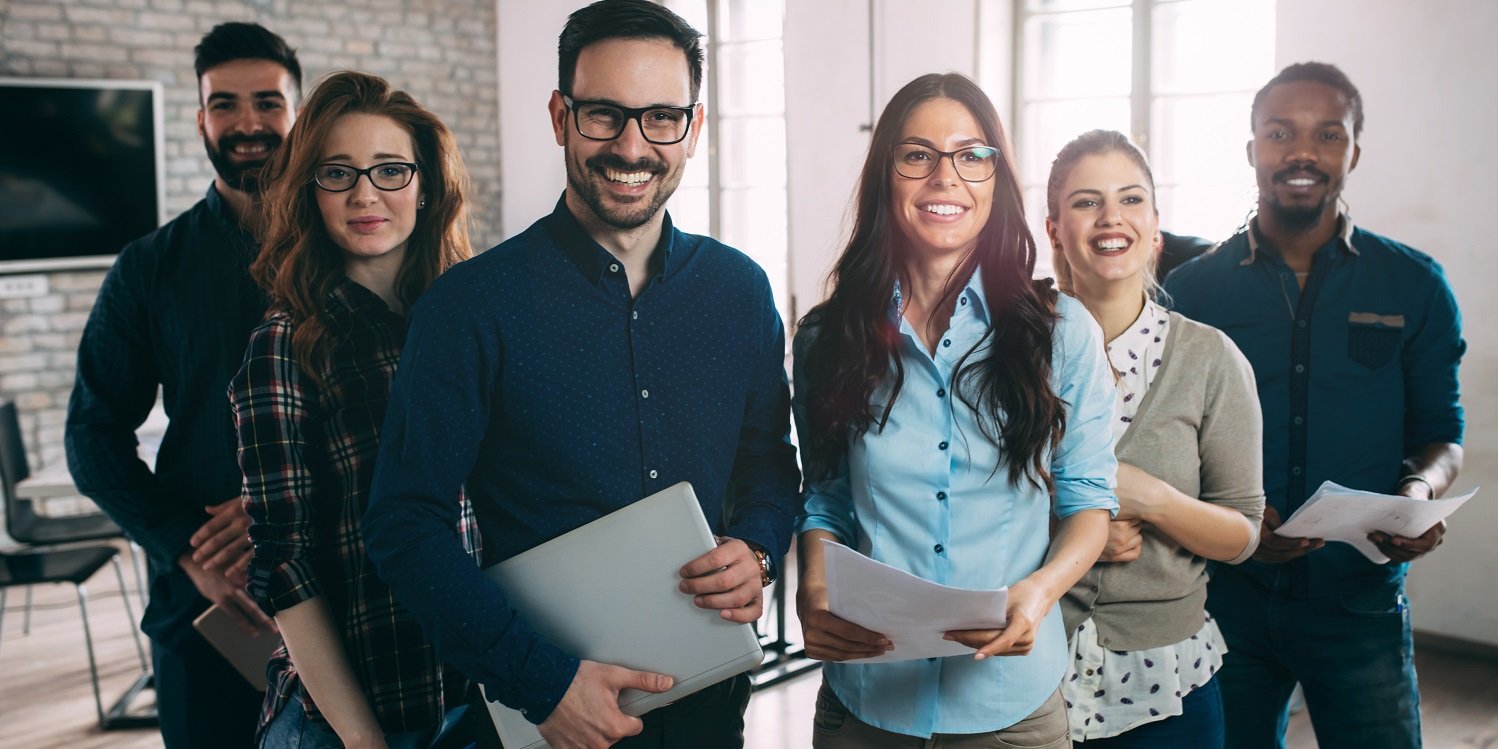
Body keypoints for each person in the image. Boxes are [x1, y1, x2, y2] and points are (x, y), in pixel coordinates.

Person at [361, 2, 801, 748]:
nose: (632, 146)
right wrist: (542, 682)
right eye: (604, 114)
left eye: (662, 116)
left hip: (711, 709)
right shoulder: (468, 307)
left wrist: (757, 546)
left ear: (695, 130)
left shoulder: (740, 290)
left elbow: (768, 464)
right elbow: (404, 523)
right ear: (561, 116)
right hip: (548, 716)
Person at [792, 72, 1116, 749]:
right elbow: (825, 496)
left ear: (996, 179)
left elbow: (1089, 501)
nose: (947, 177)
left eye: (972, 155)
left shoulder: (1062, 331)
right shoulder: (829, 336)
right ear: (888, 175)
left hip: (1009, 706)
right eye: (918, 155)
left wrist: (1041, 591)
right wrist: (814, 583)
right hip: (865, 697)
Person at [1163, 62, 1465, 749]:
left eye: (1327, 134)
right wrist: (1229, 517)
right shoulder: (1193, 290)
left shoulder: (1414, 284)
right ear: (1252, 151)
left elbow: (1441, 431)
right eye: (1280, 133)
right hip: (1223, 604)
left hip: (1359, 603)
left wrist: (1419, 490)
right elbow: (1164, 439)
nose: (1302, 152)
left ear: (1353, 151)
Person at [65, 22, 300, 748]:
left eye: (268, 101)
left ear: (300, 111)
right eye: (225, 105)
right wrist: (190, 553)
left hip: (349, 585)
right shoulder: (148, 268)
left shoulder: (355, 242)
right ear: (201, 119)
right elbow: (91, 436)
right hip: (211, 605)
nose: (249, 123)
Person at [229, 71, 479, 749]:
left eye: (390, 170)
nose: (365, 193)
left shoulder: (467, 322)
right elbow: (288, 566)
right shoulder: (285, 344)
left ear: (426, 187)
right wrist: (367, 742)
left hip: (479, 700)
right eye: (338, 173)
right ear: (310, 191)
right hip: (348, 721)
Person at [1044, 130, 1265, 747]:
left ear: (1155, 226)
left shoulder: (1211, 359)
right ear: (1055, 227)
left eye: (1131, 199)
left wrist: (1153, 500)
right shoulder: (1009, 354)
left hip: (1167, 688)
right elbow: (961, 505)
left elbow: (1243, 534)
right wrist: (1072, 532)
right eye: (1086, 202)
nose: (1111, 218)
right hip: (1027, 668)